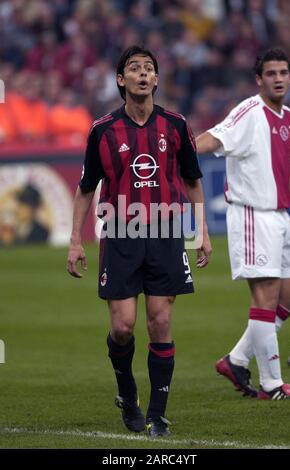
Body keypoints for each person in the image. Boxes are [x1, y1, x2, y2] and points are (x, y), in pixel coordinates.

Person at [67, 45, 212, 436]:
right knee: (124, 328)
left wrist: (201, 231)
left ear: (157, 79)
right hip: (121, 233)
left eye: (149, 68)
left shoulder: (177, 126)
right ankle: (127, 395)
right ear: (121, 80)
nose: (143, 74)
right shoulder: (102, 130)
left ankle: (157, 414)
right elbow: (85, 188)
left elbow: (193, 181)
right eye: (135, 68)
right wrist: (75, 242)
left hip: (166, 234)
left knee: (161, 322)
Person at [196, 48, 290, 400]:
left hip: (282, 215)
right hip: (253, 214)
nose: (279, 79)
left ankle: (237, 359)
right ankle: (271, 385)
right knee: (266, 298)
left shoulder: (289, 118)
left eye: (284, 72)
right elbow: (212, 139)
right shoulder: (248, 112)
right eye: (271, 73)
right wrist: (175, 151)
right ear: (259, 79)